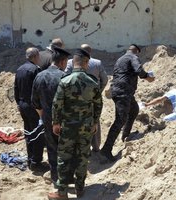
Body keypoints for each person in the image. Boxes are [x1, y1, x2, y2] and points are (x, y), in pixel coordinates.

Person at [48, 49, 102, 199]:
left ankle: (62, 192)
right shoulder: (92, 82)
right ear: (85, 62)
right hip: (86, 128)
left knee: (64, 158)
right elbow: (98, 105)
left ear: (73, 62)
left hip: (67, 127)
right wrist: (95, 123)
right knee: (82, 157)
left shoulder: (65, 81)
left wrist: (55, 123)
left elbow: (56, 104)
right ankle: (80, 189)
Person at [100, 44, 155, 162]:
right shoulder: (132, 57)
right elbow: (139, 70)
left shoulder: (120, 59)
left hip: (123, 92)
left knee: (134, 109)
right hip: (123, 93)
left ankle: (125, 135)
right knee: (120, 120)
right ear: (136, 51)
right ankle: (106, 149)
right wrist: (148, 77)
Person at [31, 46, 71, 184]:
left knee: (52, 149)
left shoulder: (39, 76)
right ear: (63, 61)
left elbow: (35, 103)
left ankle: (56, 179)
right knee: (66, 150)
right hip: (65, 120)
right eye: (66, 62)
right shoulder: (65, 77)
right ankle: (67, 178)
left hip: (48, 119)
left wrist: (43, 116)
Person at [66, 44, 108, 152]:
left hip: (75, 99)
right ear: (90, 52)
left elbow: (65, 78)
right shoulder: (97, 63)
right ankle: (96, 146)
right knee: (95, 120)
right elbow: (105, 79)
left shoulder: (71, 62)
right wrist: (98, 91)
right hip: (92, 98)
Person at [14, 47, 45, 169]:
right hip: (33, 107)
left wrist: (19, 103)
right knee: (38, 133)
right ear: (36, 56)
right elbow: (39, 90)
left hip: (22, 105)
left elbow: (16, 88)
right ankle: (36, 162)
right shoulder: (35, 70)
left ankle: (30, 158)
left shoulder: (19, 69)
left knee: (28, 132)